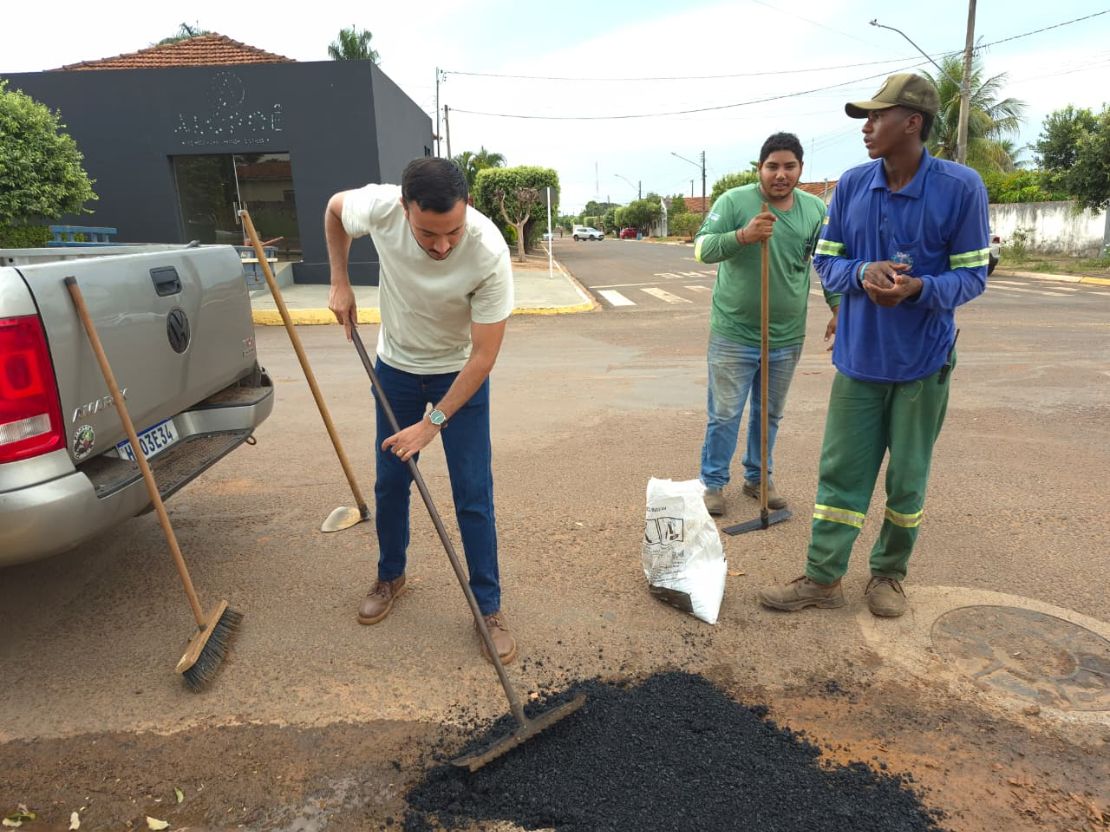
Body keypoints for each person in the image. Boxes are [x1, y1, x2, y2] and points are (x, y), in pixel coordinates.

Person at [758, 73, 989, 618]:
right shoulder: (853, 186)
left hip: (923, 362)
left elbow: (973, 276)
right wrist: (861, 273)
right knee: (841, 473)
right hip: (860, 361)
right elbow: (827, 262)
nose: (867, 127)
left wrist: (918, 289)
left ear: (912, 122)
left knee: (907, 477)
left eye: (877, 116)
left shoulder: (961, 188)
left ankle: (888, 574)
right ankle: (822, 577)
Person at [324, 157, 517, 663]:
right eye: (428, 233)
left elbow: (484, 357)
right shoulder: (381, 207)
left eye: (451, 231)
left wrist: (432, 425)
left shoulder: (489, 251)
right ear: (404, 208)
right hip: (397, 368)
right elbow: (333, 209)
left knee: (473, 492)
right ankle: (391, 576)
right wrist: (340, 280)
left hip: (460, 372)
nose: (441, 246)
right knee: (391, 483)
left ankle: (487, 607)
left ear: (467, 208)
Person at [694, 132, 839, 517]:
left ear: (800, 170)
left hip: (786, 336)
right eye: (772, 166)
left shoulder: (813, 210)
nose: (780, 174)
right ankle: (712, 483)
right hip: (734, 332)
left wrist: (837, 305)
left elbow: (825, 260)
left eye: (789, 166)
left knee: (769, 413)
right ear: (759, 168)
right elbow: (702, 248)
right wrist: (744, 235)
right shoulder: (734, 201)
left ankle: (758, 477)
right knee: (725, 413)